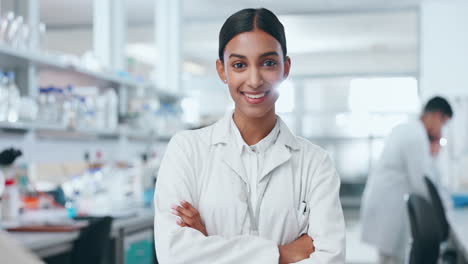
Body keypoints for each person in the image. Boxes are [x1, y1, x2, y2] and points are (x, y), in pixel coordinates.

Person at [154, 7, 346, 264]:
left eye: (268, 63)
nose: (254, 80)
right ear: (222, 70)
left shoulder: (315, 163)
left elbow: (331, 257)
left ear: (285, 68)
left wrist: (208, 244)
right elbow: (174, 253)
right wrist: (283, 254)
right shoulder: (187, 150)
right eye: (239, 65)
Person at [360, 96, 453, 264]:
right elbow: (422, 180)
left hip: (387, 199)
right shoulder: (415, 135)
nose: (442, 130)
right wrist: (445, 207)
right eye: (444, 123)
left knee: (389, 256)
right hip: (388, 203)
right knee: (390, 257)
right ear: (437, 115)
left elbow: (426, 174)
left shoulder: (410, 129)